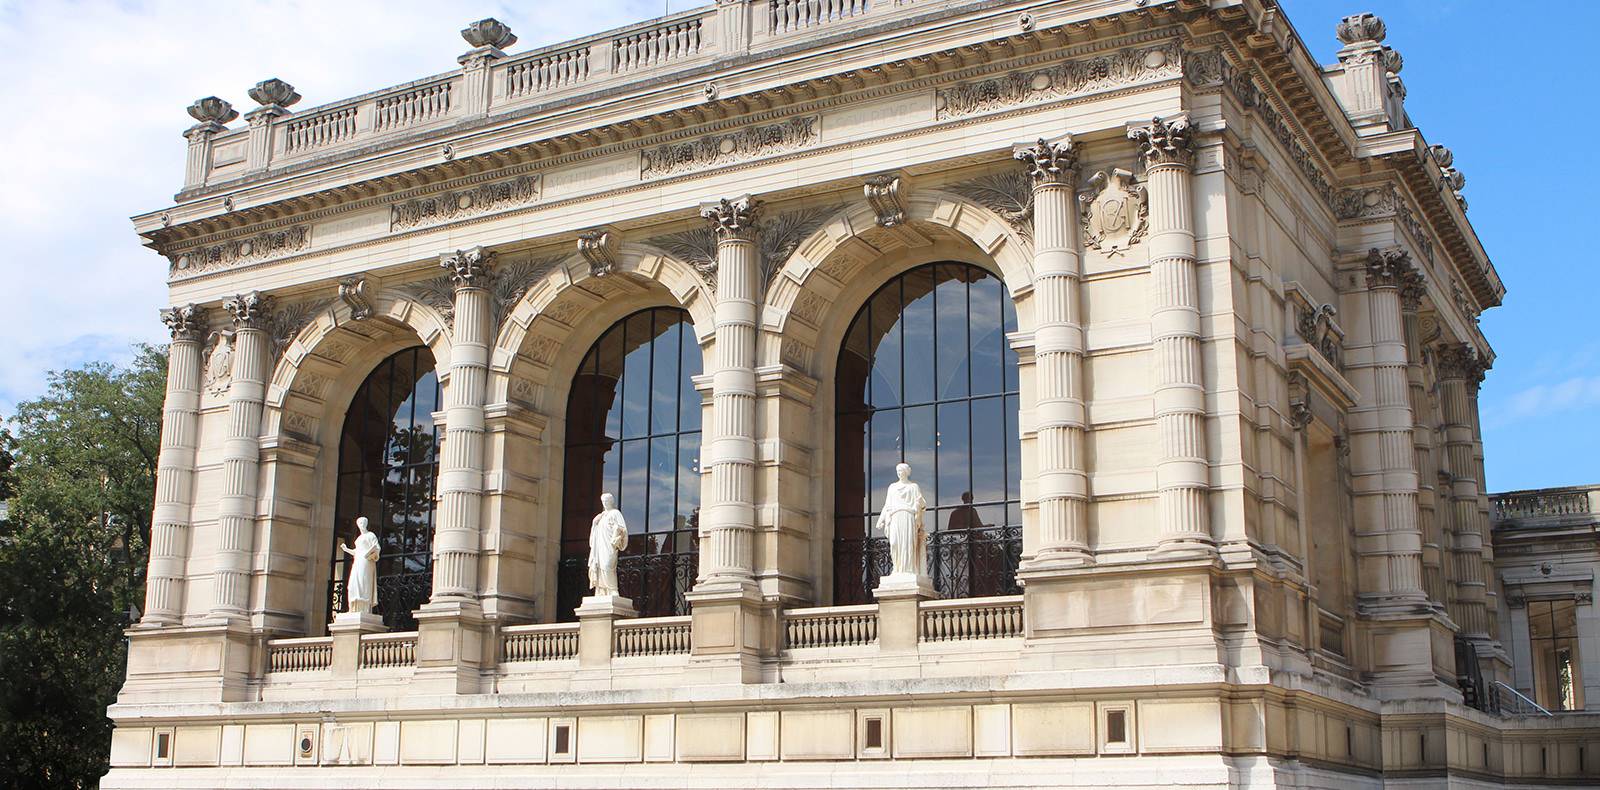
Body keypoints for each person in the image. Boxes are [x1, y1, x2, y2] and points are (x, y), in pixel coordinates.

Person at [876, 463, 927, 578]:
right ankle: (897, 568)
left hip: (908, 516)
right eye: (898, 471)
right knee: (894, 543)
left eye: (902, 471)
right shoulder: (892, 487)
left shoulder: (913, 487)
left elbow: (922, 503)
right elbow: (887, 505)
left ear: (907, 472)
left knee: (908, 543)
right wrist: (881, 519)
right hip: (895, 517)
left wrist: (920, 504)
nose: (899, 473)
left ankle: (908, 569)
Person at [588, 492, 629, 596]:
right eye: (603, 501)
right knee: (599, 566)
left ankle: (613, 589)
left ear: (611, 502)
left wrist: (617, 533)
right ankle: (601, 590)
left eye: (607, 501)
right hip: (600, 546)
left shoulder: (615, 513)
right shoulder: (601, 516)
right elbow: (594, 534)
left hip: (610, 546)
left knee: (607, 565)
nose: (605, 503)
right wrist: (594, 523)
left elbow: (623, 529)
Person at [340, 516, 380, 615]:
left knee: (363, 581)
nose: (362, 525)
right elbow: (357, 552)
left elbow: (377, 547)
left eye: (364, 523)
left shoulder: (371, 535)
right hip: (358, 561)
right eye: (360, 523)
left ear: (367, 524)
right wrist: (346, 549)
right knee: (353, 584)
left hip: (366, 561)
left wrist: (371, 552)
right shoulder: (359, 538)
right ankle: (354, 607)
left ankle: (364, 608)